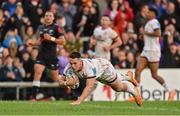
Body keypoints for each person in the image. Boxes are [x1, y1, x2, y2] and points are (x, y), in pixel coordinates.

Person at [59, 52, 142, 106]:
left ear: (80, 61)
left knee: (118, 88)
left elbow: (89, 86)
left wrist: (79, 101)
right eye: (71, 63)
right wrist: (66, 83)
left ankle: (133, 91)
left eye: (75, 63)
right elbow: (60, 80)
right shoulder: (69, 66)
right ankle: (128, 77)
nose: (73, 66)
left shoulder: (89, 68)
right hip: (97, 73)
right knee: (114, 82)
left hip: (104, 68)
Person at [135, 8, 176, 101]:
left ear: (153, 14)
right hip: (146, 50)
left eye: (149, 12)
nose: (147, 13)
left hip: (153, 51)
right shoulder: (148, 23)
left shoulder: (154, 21)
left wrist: (145, 33)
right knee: (137, 71)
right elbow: (149, 34)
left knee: (154, 75)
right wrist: (143, 36)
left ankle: (170, 91)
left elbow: (158, 33)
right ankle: (136, 95)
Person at [28, 11, 66, 100]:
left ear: (53, 18)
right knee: (37, 73)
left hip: (52, 56)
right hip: (41, 54)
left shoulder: (57, 28)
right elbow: (40, 40)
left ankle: (67, 90)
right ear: (44, 17)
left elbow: (63, 42)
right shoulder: (41, 27)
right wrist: (33, 43)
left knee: (55, 79)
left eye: (50, 16)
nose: (48, 17)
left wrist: (51, 38)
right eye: (46, 15)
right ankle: (33, 98)